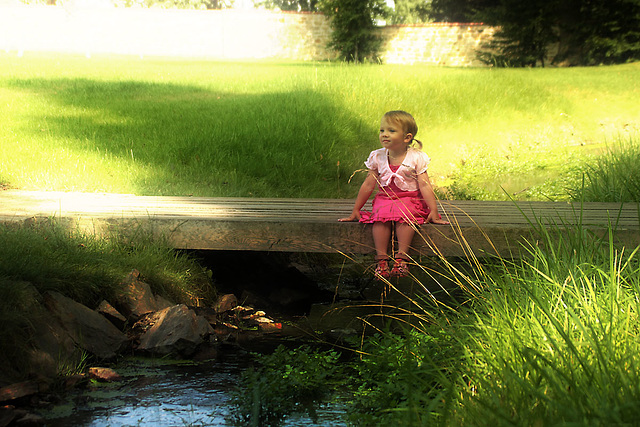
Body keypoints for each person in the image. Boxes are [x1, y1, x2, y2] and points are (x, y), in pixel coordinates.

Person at [339, 110, 448, 279]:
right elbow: (368, 184)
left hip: (410, 199)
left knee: (405, 217)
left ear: (406, 137)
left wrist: (433, 210)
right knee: (380, 218)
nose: (384, 135)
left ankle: (401, 259)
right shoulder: (378, 156)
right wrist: (356, 209)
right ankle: (381, 261)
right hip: (386, 198)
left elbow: (425, 185)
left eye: (391, 131)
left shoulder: (416, 157)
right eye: (382, 130)